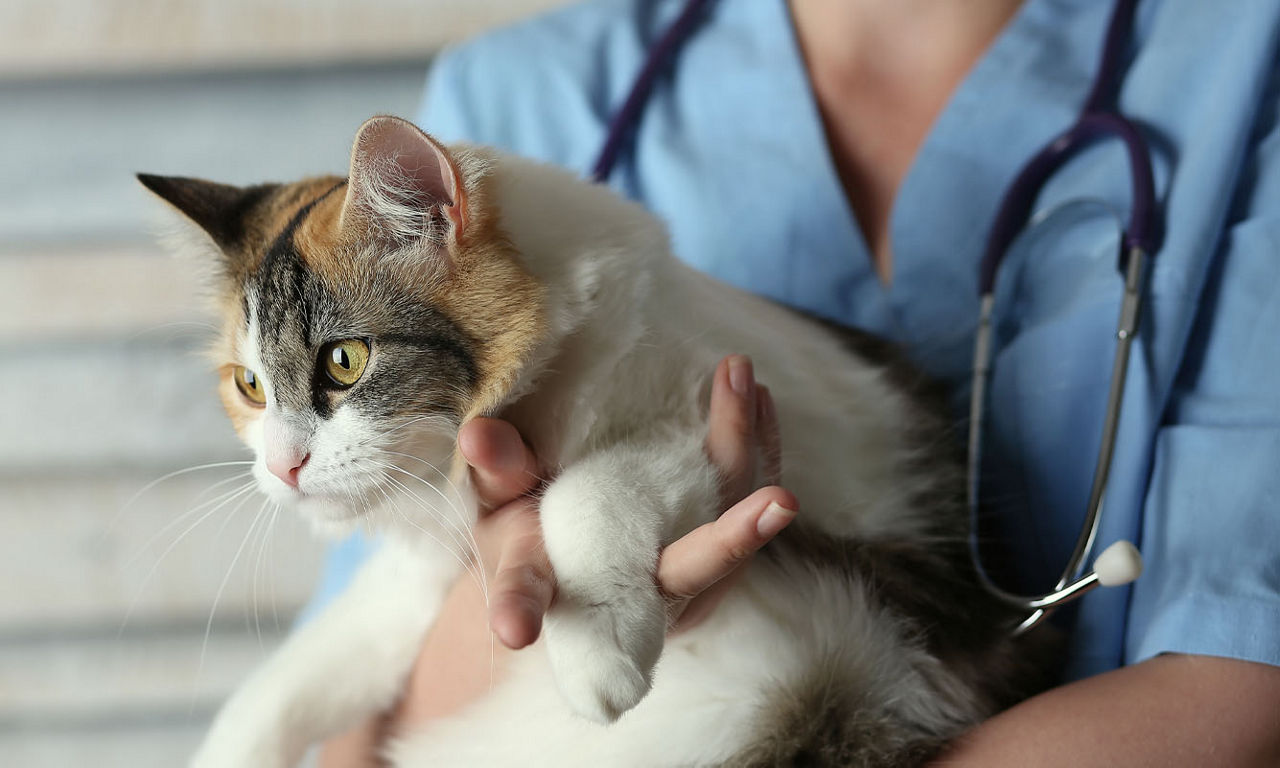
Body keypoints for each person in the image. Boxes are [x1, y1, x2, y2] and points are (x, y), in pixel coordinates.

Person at [317, 0, 1280, 764]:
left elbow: (1241, 690)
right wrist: (550, 586)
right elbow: (359, 739)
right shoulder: (518, 105)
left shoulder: (1239, 57)